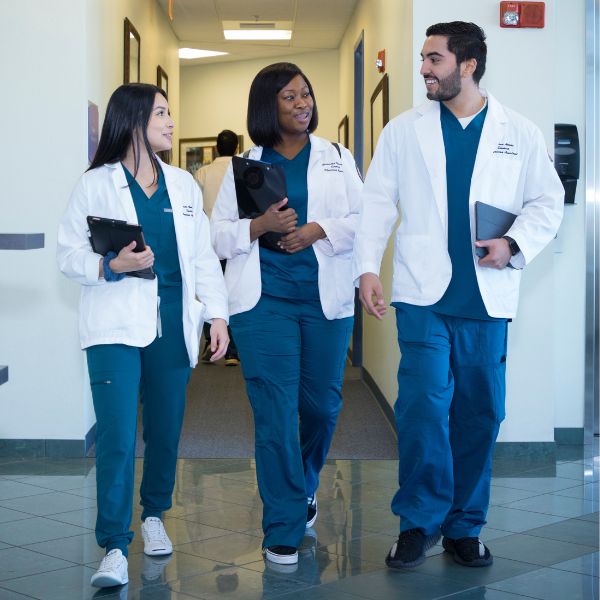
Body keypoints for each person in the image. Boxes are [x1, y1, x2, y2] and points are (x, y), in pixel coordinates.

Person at [353, 22, 564, 570]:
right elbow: (377, 202)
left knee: (480, 413)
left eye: (434, 59)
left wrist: (513, 242)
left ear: (467, 64)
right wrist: (366, 269)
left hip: (486, 299)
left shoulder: (519, 131)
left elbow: (548, 200)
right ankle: (418, 523)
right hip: (424, 297)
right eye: (423, 58)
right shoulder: (404, 131)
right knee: (423, 409)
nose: (424, 68)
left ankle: (465, 526)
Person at [57, 83, 229, 588]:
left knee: (166, 427)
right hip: (113, 323)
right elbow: (68, 255)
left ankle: (154, 513)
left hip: (172, 323)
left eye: (170, 111)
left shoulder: (184, 186)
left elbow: (201, 258)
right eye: (162, 113)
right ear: (133, 120)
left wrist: (217, 316)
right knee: (114, 435)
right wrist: (111, 264)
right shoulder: (95, 185)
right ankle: (113, 543)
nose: (172, 121)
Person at [211, 62, 363, 566]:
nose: (303, 104)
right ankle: (281, 523)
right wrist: (258, 226)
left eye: (306, 94)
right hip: (263, 302)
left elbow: (367, 219)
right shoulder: (245, 166)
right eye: (290, 97)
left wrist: (319, 229)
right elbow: (217, 236)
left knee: (322, 406)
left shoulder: (338, 157)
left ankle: (302, 486)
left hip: (325, 300)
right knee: (274, 411)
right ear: (266, 108)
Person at [195, 129, 240, 366]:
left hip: (208, 241)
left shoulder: (203, 172)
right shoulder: (241, 168)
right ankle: (233, 350)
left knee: (207, 293)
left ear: (216, 148)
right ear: (235, 148)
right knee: (231, 293)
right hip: (234, 241)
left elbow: (195, 209)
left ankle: (210, 347)